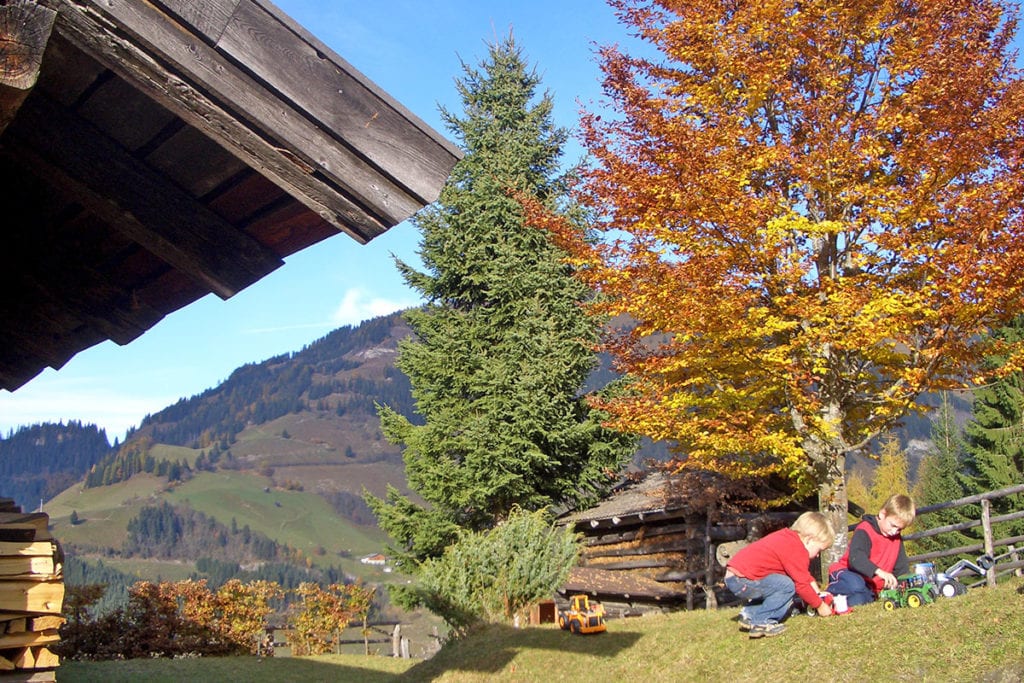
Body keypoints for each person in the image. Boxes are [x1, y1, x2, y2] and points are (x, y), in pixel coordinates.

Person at [725, 511, 835, 638]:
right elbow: (802, 585)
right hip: (742, 580)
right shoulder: (796, 549)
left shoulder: (788, 538)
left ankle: (749, 615)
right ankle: (761, 621)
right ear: (809, 539)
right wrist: (820, 606)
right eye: (819, 550)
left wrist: (817, 594)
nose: (817, 555)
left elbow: (804, 576)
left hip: (735, 577)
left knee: (780, 584)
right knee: (787, 586)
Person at [826, 493, 916, 607]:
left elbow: (901, 568)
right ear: (883, 514)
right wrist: (880, 572)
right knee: (856, 585)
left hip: (868, 585)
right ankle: (830, 594)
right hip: (846, 573)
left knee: (863, 597)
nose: (894, 531)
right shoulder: (865, 529)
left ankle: (840, 603)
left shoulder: (896, 540)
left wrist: (904, 586)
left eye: (899, 529)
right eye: (893, 525)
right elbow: (856, 558)